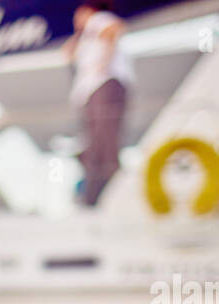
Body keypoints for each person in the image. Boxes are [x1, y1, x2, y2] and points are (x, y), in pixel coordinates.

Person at [63, 2, 133, 206]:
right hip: (91, 92)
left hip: (103, 85)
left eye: (79, 16)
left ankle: (108, 195)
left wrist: (105, 60)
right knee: (94, 145)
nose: (76, 21)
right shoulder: (86, 36)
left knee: (105, 143)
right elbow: (67, 53)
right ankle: (97, 194)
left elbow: (115, 29)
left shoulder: (98, 21)